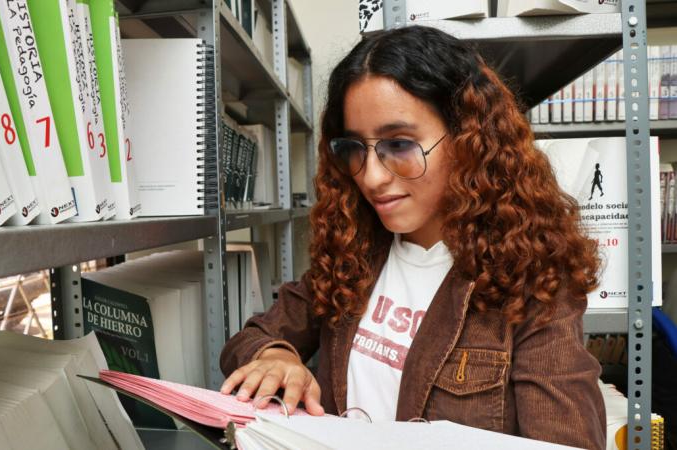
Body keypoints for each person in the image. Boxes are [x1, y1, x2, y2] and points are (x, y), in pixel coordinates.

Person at [220, 26, 606, 450]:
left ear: (468, 140)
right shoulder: (356, 255)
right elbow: (251, 337)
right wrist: (276, 357)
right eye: (355, 148)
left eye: (399, 144)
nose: (371, 176)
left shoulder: (532, 284)